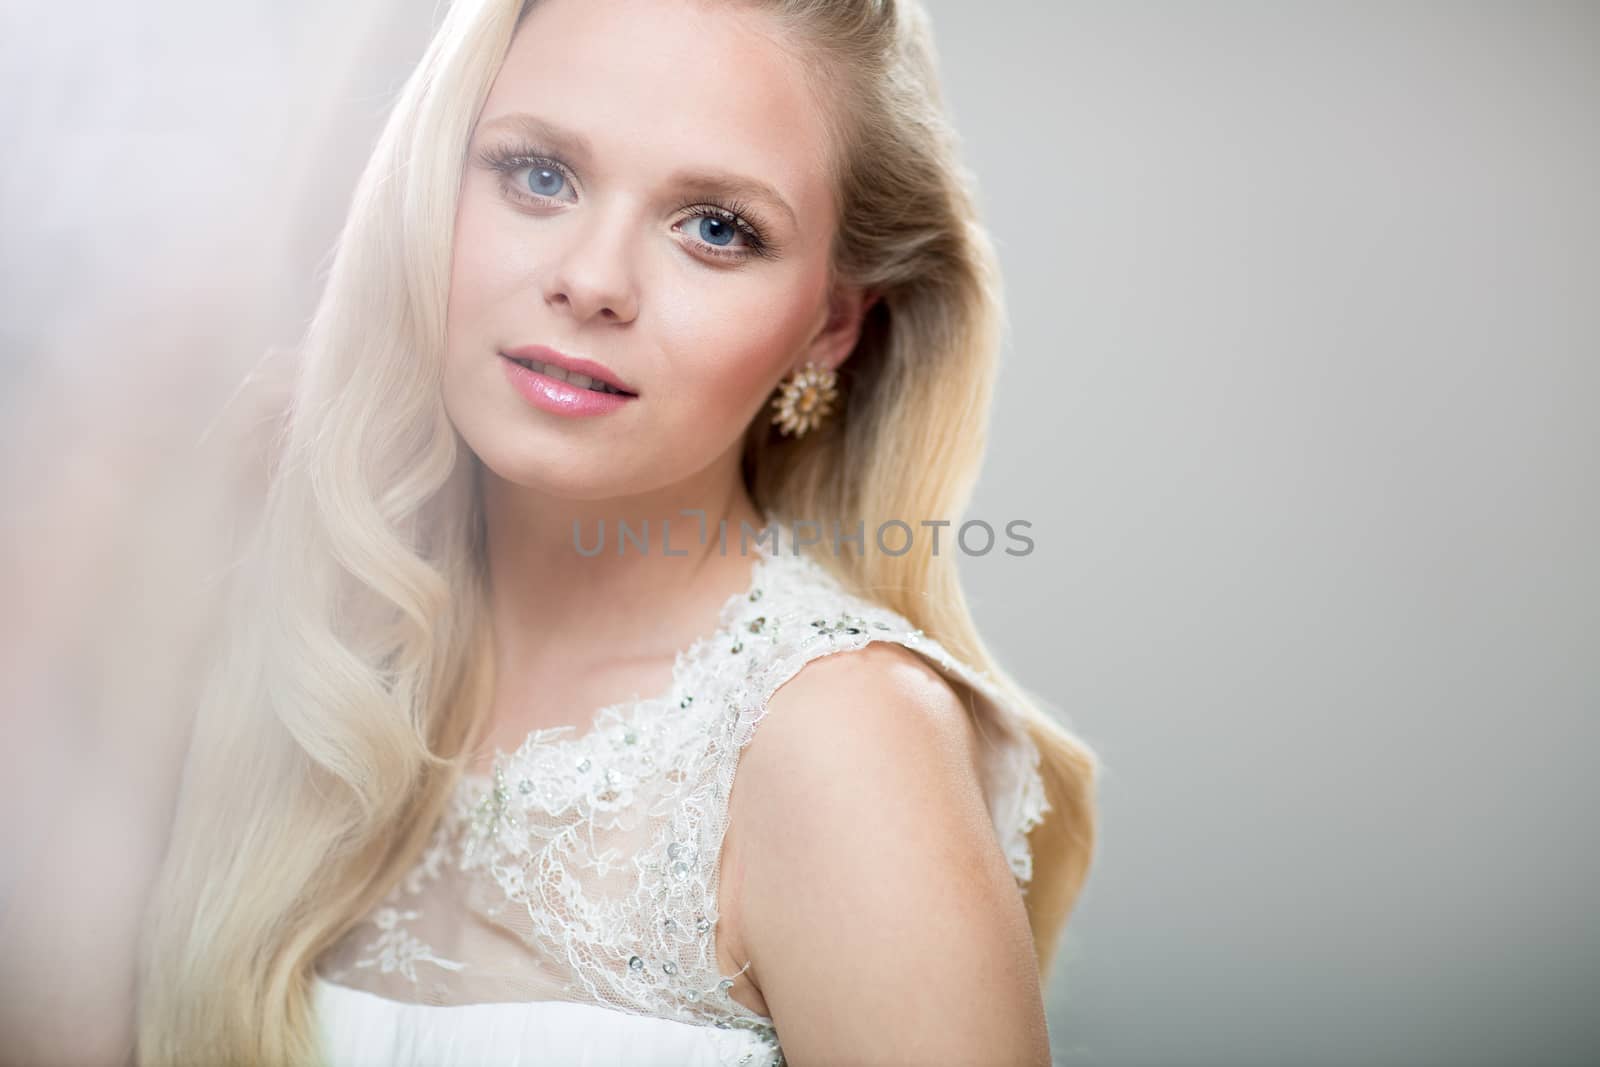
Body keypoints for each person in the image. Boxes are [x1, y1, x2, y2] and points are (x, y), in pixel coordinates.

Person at [135, 0, 1100, 1063]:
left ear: (832, 323)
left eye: (717, 228)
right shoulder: (264, 625)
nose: (592, 281)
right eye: (538, 174)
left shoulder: (834, 739)